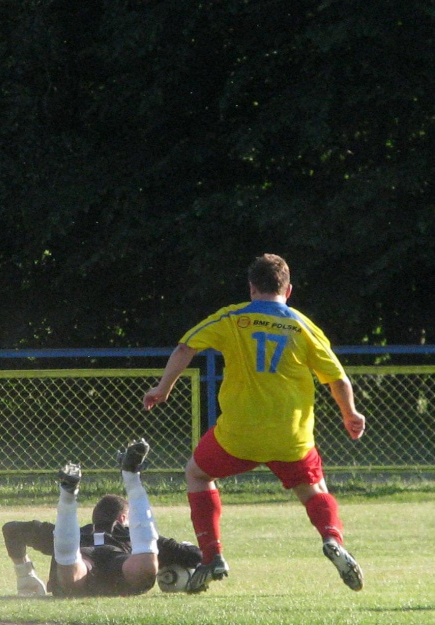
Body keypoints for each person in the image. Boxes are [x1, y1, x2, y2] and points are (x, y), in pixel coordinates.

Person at [143, 253, 366, 593]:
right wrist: (350, 414)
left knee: (197, 474)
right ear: (288, 290)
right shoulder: (302, 326)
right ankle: (332, 538)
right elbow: (337, 379)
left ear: (251, 288)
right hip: (290, 436)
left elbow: (186, 347)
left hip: (238, 434)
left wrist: (163, 388)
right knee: (314, 491)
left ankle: (212, 555)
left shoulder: (233, 318)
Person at [2, 439, 203, 597]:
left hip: (81, 561)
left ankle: (68, 496)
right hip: (122, 569)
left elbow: (12, 529)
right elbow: (196, 556)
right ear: (125, 518)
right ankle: (131, 477)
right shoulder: (128, 535)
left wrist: (24, 574)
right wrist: (174, 560)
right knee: (143, 568)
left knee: (70, 575)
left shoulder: (79, 533)